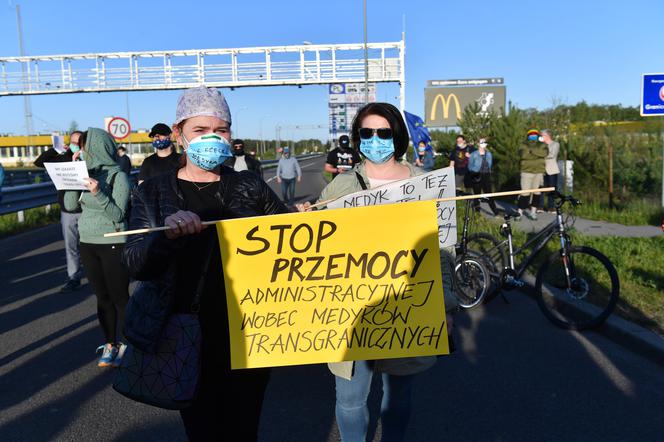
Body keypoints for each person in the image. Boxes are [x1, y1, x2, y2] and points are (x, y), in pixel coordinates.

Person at [122, 86, 288, 441]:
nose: (213, 138)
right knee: (202, 430)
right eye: (201, 130)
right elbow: (135, 264)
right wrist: (164, 237)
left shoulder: (250, 186)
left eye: (221, 129)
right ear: (179, 134)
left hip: (250, 332)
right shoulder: (150, 192)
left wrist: (301, 222)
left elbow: (292, 245)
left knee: (244, 428)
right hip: (184, 334)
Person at [300, 102, 458, 441]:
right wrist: (305, 221)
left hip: (409, 306)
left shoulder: (425, 185)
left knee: (399, 396)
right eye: (366, 133)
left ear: (396, 136)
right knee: (350, 399)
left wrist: (446, 305)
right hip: (351, 311)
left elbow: (442, 250)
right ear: (357, 137)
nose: (375, 139)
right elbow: (319, 251)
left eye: (383, 132)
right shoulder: (339, 187)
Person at [63, 128, 131, 367]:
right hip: (88, 242)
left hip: (113, 241)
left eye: (84, 146)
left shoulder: (118, 177)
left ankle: (128, 343)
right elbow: (71, 205)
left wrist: (98, 192)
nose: (81, 151)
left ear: (97, 148)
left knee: (120, 297)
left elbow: (119, 214)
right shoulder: (85, 173)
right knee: (102, 298)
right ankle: (110, 343)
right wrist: (73, 176)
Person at [34, 131, 85, 292]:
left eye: (78, 142)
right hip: (67, 210)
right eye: (73, 142)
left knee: (89, 245)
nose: (75, 144)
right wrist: (55, 150)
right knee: (71, 246)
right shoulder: (62, 158)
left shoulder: (88, 159)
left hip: (87, 209)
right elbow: (39, 162)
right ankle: (74, 277)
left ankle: (97, 274)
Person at [517, 129, 548, 220]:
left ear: (538, 135)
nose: (533, 136)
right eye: (531, 134)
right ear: (528, 135)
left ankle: (533, 213)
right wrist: (537, 154)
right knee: (524, 193)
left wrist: (531, 151)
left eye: (535, 134)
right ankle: (519, 213)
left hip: (539, 172)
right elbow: (523, 155)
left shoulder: (542, 145)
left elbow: (544, 153)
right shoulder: (523, 144)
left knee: (537, 193)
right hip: (526, 172)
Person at [468, 137, 500, 216]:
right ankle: (477, 212)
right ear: (478, 144)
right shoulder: (473, 154)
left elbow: (490, 165)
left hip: (486, 175)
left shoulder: (489, 154)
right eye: (482, 142)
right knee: (477, 194)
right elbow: (469, 166)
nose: (483, 144)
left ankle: (495, 211)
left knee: (489, 194)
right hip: (476, 174)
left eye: (484, 142)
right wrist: (474, 172)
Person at [541, 129, 560, 213]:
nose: (541, 137)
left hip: (552, 170)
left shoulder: (555, 144)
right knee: (541, 188)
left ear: (547, 136)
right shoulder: (540, 145)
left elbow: (552, 155)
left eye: (542, 135)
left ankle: (551, 207)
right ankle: (540, 206)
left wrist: (540, 154)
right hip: (542, 170)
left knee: (552, 189)